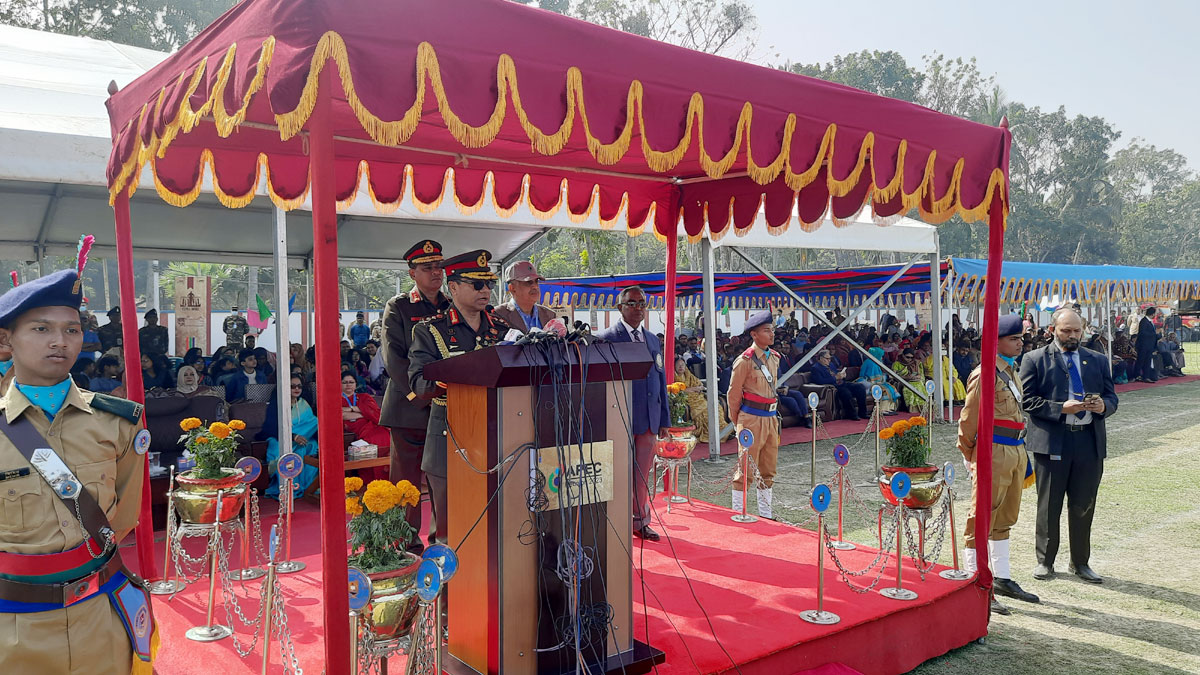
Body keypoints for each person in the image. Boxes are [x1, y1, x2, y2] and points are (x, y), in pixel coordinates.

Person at [0, 266, 156, 671]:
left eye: (72, 330)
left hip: (100, 616)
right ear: (6, 340)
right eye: (41, 329)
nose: (60, 341)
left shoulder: (119, 422)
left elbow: (122, 516)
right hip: (14, 629)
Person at [408, 249, 509, 544]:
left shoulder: (502, 329)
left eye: (489, 284)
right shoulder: (430, 331)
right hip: (449, 441)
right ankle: (448, 590)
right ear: (453, 287)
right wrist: (450, 376)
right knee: (450, 532)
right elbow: (417, 381)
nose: (486, 290)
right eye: (477, 284)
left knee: (495, 527)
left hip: (498, 439)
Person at [1020, 308, 1118, 584]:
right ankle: (1045, 561)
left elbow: (1112, 397)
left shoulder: (1097, 360)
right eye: (1066, 330)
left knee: (1083, 504)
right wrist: (1059, 408)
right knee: (1049, 505)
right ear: (1052, 330)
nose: (1072, 335)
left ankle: (1080, 562)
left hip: (1088, 441)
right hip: (1053, 440)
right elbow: (1026, 401)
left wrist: (1103, 406)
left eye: (1077, 330)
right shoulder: (1034, 359)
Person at [957, 314, 1040, 615]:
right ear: (997, 340)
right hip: (993, 451)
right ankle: (974, 581)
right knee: (981, 519)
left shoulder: (1011, 371)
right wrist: (969, 454)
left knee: (1005, 517)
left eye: (1021, 338)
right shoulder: (985, 374)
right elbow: (969, 418)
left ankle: (1001, 578)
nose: (1020, 343)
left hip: (1015, 449)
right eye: (1013, 338)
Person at [381, 239, 449, 549]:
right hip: (410, 406)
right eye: (428, 268)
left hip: (446, 408)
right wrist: (421, 393)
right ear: (412, 273)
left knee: (442, 481)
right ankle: (405, 545)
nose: (436, 272)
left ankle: (442, 541)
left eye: (439, 266)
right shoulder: (399, 306)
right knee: (406, 482)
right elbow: (394, 358)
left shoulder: (451, 305)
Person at [594, 285, 669, 541]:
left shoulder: (652, 339)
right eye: (632, 303)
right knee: (615, 473)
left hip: (649, 419)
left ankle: (640, 521)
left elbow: (660, 379)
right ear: (620, 307)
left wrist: (664, 419)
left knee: (641, 475)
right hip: (619, 419)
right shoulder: (606, 339)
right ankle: (614, 523)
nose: (638, 309)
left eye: (642, 304)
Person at [727, 310, 781, 519]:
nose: (772, 334)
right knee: (746, 467)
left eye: (772, 330)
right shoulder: (745, 361)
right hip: (750, 418)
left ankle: (765, 514)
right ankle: (738, 512)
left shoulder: (774, 358)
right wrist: (738, 420)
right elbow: (733, 393)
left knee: (768, 468)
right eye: (767, 330)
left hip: (770, 418)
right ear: (754, 334)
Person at [261, 375, 319, 499]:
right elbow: (271, 428)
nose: (296, 389)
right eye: (292, 386)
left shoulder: (304, 404)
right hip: (279, 437)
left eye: (299, 386)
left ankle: (309, 487)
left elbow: (312, 423)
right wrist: (292, 436)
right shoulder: (276, 405)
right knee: (281, 449)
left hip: (303, 438)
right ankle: (288, 487)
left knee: (312, 446)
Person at [340, 371, 389, 482]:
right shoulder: (336, 399)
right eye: (345, 382)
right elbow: (341, 415)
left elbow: (376, 413)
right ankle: (371, 480)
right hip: (355, 429)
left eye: (351, 382)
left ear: (356, 384)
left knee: (383, 435)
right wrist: (364, 412)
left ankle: (384, 478)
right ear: (339, 384)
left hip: (372, 425)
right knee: (371, 440)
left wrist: (351, 409)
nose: (348, 385)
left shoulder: (364, 397)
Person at [672, 357, 728, 443]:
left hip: (697, 397)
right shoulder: (672, 376)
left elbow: (700, 386)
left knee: (715, 407)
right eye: (678, 365)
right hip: (687, 399)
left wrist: (693, 389)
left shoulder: (689, 375)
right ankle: (709, 433)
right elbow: (678, 390)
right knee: (703, 412)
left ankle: (721, 431)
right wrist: (692, 389)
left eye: (682, 365)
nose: (681, 367)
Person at [492, 260, 554, 333]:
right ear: (512, 288)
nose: (535, 286)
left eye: (536, 281)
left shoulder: (550, 315)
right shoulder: (497, 315)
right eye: (528, 282)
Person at [810, 349, 868, 420]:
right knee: (846, 393)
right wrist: (836, 378)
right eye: (827, 359)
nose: (829, 360)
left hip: (841, 383)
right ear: (821, 358)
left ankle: (863, 412)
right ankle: (852, 414)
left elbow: (836, 373)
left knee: (860, 387)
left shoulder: (831, 365)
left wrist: (842, 375)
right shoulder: (815, 368)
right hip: (834, 386)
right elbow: (820, 381)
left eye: (830, 358)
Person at [856, 347, 899, 415]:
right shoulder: (870, 363)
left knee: (891, 387)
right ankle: (882, 410)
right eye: (881, 356)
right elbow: (873, 378)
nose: (882, 358)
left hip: (877, 383)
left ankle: (889, 408)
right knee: (885, 389)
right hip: (870, 384)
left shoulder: (875, 363)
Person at [1133, 307, 1159, 382]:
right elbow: (1143, 333)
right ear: (1152, 314)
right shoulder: (1144, 321)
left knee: (1147, 361)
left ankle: (1146, 376)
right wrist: (1154, 334)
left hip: (1149, 345)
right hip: (1143, 345)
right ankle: (1137, 375)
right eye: (1155, 313)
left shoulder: (1150, 322)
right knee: (1141, 361)